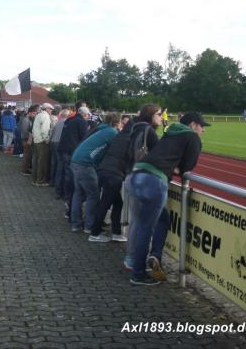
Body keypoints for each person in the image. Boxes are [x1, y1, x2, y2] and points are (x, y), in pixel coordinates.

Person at [128, 111, 209, 286]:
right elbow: (187, 167)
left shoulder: (169, 133)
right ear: (193, 125)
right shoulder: (192, 137)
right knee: (145, 227)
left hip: (136, 176)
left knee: (163, 220)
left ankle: (155, 255)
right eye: (202, 127)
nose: (203, 131)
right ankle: (138, 273)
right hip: (154, 181)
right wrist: (177, 168)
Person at [123, 105, 163, 268]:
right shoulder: (149, 132)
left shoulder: (134, 129)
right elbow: (159, 156)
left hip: (131, 177)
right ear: (151, 116)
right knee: (144, 223)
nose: (162, 118)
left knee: (135, 221)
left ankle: (131, 258)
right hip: (143, 179)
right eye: (159, 114)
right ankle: (136, 260)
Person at [70, 112, 121, 232]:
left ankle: (76, 224)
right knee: (93, 194)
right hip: (86, 163)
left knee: (79, 193)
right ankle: (89, 225)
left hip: (76, 160)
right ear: (117, 122)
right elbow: (118, 149)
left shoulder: (100, 129)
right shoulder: (112, 132)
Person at [56, 102, 90, 218]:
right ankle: (70, 203)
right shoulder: (81, 122)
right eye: (87, 116)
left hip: (62, 149)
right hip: (71, 151)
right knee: (71, 178)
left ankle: (65, 198)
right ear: (85, 115)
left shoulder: (69, 120)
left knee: (64, 174)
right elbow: (84, 138)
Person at [31, 103, 54, 186]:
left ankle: (34, 180)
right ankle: (40, 181)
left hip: (36, 140)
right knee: (42, 162)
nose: (51, 111)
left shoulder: (38, 115)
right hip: (42, 142)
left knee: (37, 161)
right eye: (51, 109)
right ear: (47, 108)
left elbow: (34, 129)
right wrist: (47, 140)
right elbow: (45, 130)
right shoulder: (46, 116)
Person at [49, 107, 71, 186]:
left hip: (52, 142)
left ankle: (51, 180)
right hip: (58, 143)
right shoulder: (66, 123)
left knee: (53, 162)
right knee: (59, 164)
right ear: (68, 115)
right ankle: (56, 183)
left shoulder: (58, 122)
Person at [20, 105, 39, 175]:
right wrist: (31, 135)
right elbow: (25, 131)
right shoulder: (26, 120)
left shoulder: (28, 119)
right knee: (26, 155)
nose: (35, 115)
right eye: (34, 113)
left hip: (27, 139)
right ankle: (24, 170)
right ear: (30, 112)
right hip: (26, 140)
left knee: (27, 155)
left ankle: (26, 169)